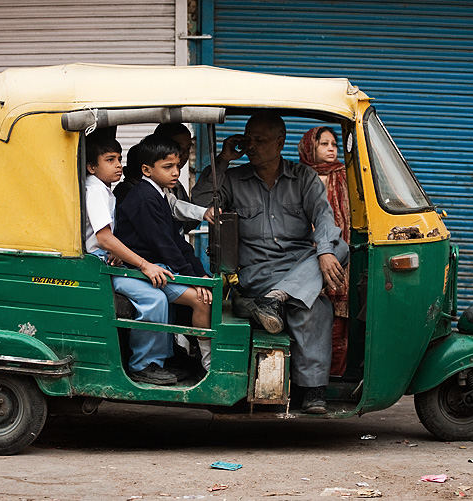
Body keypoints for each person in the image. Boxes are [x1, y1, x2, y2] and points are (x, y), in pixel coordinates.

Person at [192, 112, 349, 414]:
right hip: (259, 275)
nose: (251, 146)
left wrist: (326, 251)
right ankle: (312, 389)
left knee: (338, 247)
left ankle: (279, 300)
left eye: (260, 141)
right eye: (248, 140)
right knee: (312, 304)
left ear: (280, 143)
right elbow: (198, 201)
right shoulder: (234, 180)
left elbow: (324, 216)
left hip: (298, 268)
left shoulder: (303, 178)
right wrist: (223, 160)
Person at [82, 129, 181, 386]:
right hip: (98, 265)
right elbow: (103, 239)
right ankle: (143, 364)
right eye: (110, 160)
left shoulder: (105, 190)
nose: (119, 165)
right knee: (154, 297)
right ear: (91, 166)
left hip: (110, 260)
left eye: (119, 158)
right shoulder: (93, 190)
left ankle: (162, 359)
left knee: (162, 285)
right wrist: (144, 265)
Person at [115, 134, 215, 371]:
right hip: (137, 269)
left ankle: (169, 357)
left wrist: (199, 274)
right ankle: (209, 365)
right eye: (167, 167)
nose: (175, 173)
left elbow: (176, 242)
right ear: (147, 170)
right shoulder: (144, 198)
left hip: (159, 267)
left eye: (177, 166)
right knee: (201, 302)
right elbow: (164, 245)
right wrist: (192, 277)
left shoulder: (158, 195)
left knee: (205, 293)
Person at [298, 126, 351, 376]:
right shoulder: (298, 177)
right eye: (324, 144)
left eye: (334, 144)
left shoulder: (344, 175)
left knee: (338, 320)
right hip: (302, 254)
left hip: (336, 252)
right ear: (310, 147)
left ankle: (333, 377)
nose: (331, 149)